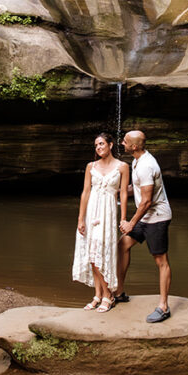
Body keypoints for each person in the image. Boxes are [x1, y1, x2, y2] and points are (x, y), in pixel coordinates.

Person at [114, 130, 173, 323]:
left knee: (160, 260)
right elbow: (136, 189)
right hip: (145, 216)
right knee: (123, 245)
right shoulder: (137, 161)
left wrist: (131, 223)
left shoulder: (147, 165)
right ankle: (119, 292)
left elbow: (146, 201)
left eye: (125, 142)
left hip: (156, 217)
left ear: (135, 146)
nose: (121, 143)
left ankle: (163, 307)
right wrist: (115, 192)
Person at [72, 132, 129, 313]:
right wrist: (81, 218)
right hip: (91, 211)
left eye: (102, 144)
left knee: (102, 252)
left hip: (108, 212)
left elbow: (123, 194)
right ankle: (99, 295)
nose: (98, 148)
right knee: (92, 253)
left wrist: (123, 218)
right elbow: (85, 192)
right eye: (96, 145)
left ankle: (108, 295)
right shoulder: (91, 166)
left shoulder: (122, 167)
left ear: (111, 145)